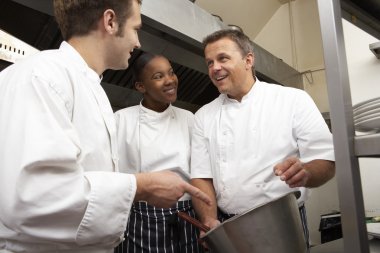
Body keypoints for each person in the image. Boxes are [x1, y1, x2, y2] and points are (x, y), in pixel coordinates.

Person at [0, 1, 210, 253]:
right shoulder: (43, 75)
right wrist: (142, 186)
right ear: (110, 22)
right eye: (135, 29)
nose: (138, 43)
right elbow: (35, 199)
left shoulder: (89, 86)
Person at [190, 29, 335, 248]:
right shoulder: (203, 116)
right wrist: (209, 219)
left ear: (248, 60)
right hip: (229, 225)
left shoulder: (292, 100)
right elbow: (202, 176)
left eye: (223, 58)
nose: (215, 68)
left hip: (285, 222)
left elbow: (326, 161)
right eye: (209, 62)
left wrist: (306, 173)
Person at [114, 53, 204, 253]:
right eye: (158, 76)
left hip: (186, 215)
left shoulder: (188, 118)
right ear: (140, 86)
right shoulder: (121, 120)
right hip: (141, 217)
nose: (170, 80)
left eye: (171, 73)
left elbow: (200, 171)